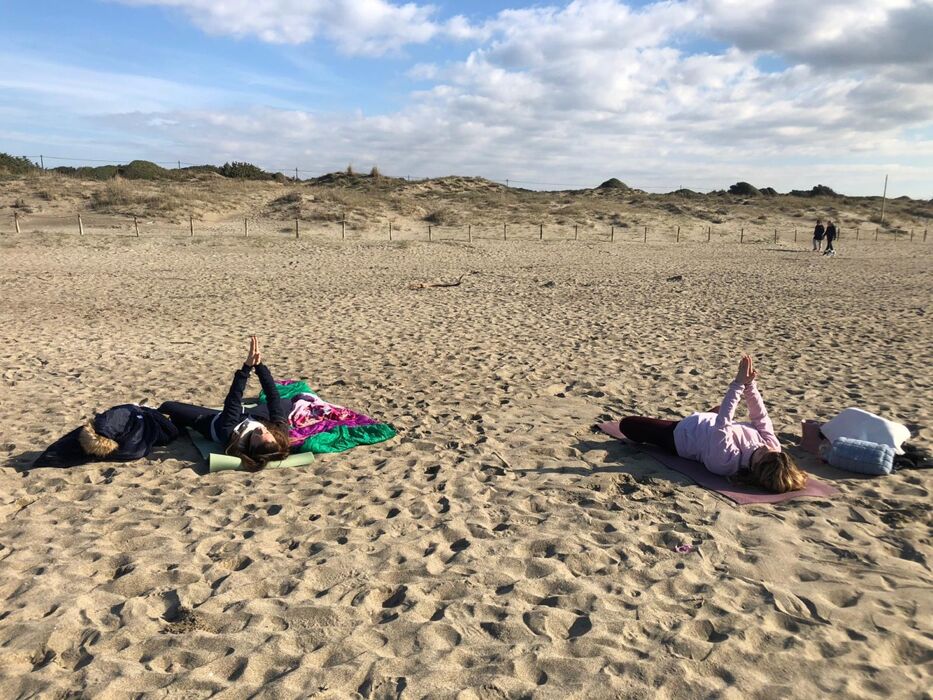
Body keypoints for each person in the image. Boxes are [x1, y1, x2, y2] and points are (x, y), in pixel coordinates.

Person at [618, 355, 808, 493]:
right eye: (775, 451)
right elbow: (760, 417)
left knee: (627, 425)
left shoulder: (726, 461)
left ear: (756, 465)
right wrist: (750, 385)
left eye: (765, 453)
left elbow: (723, 422)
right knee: (720, 409)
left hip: (681, 434)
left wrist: (738, 383)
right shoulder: (773, 448)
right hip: (708, 423)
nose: (768, 446)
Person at [159, 336, 290, 471]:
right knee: (285, 403)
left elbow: (234, 399)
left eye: (258, 434)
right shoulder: (279, 433)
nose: (262, 429)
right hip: (252, 416)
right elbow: (273, 397)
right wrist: (259, 365)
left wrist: (246, 367)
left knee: (168, 406)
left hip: (215, 421)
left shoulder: (229, 432)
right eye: (267, 432)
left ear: (250, 445)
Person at [33, 404, 179, 468]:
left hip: (117, 435)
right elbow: (170, 433)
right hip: (131, 438)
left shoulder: (111, 423)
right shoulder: (134, 446)